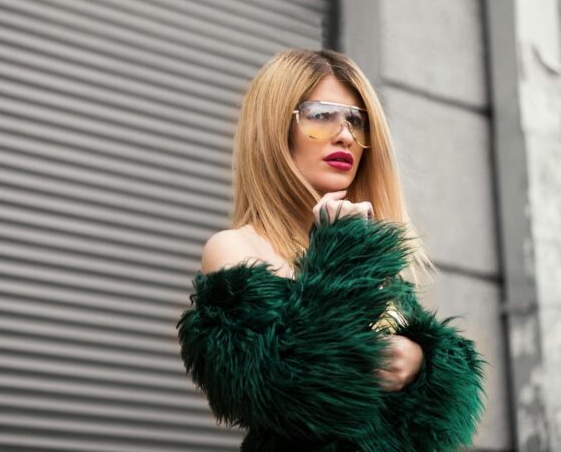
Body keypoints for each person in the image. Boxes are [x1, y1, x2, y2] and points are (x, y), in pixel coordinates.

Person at [176, 49, 486, 451]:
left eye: (356, 120)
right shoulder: (236, 247)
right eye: (321, 115)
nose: (345, 135)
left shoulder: (371, 257)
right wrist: (341, 253)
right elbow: (293, 390)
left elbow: (436, 423)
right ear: (274, 128)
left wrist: (419, 361)